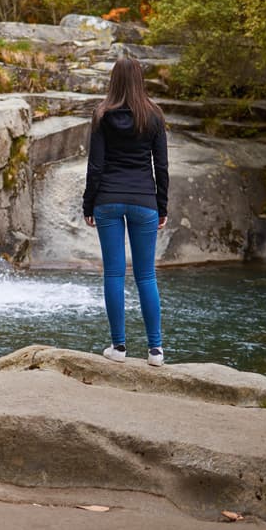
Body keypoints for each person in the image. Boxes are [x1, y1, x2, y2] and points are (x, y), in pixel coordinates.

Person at [82, 56, 169, 366]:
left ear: (114, 81)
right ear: (140, 81)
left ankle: (118, 348)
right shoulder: (155, 116)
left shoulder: (102, 115)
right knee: (146, 277)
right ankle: (155, 351)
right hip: (144, 201)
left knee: (115, 274)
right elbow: (161, 166)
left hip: (107, 200)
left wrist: (88, 203)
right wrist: (162, 206)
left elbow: (96, 165)